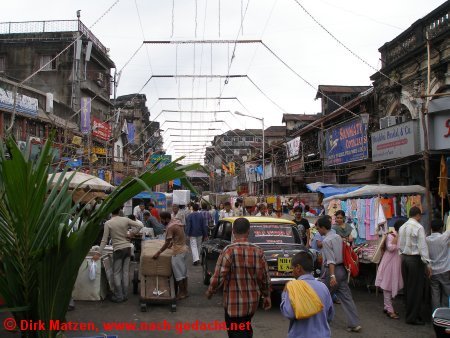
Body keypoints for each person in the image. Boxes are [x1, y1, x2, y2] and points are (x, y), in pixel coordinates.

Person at [205, 217, 271, 337]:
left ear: (233, 231)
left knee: (236, 332)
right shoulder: (258, 251)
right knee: (245, 328)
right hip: (252, 303)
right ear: (249, 231)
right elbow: (265, 278)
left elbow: (218, 277)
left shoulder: (228, 251)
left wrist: (210, 291)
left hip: (233, 304)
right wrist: (266, 295)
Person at [316, 216, 362, 333]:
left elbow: (331, 260)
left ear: (322, 228)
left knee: (323, 296)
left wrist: (332, 276)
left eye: (318, 228)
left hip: (332, 271)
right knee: (347, 298)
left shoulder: (326, 241)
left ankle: (320, 322)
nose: (318, 231)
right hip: (342, 269)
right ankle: (354, 324)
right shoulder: (337, 237)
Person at [94, 206, 143, 303]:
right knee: (125, 272)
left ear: (110, 212)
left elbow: (104, 240)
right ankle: (125, 295)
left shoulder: (108, 223)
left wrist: (98, 253)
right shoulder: (125, 219)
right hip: (127, 248)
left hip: (118, 249)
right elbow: (140, 226)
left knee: (116, 273)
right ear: (120, 211)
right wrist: (132, 234)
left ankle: (119, 295)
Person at [280, 251, 334, 338]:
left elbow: (289, 313)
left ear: (298, 268)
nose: (292, 271)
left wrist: (284, 293)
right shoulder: (323, 287)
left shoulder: (293, 287)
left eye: (292, 268)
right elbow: (330, 315)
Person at [398, 206, 432, 325]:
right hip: (414, 260)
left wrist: (402, 255)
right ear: (418, 215)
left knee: (408, 288)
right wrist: (427, 264)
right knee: (416, 289)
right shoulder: (419, 227)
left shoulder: (402, 227)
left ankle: (411, 313)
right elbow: (423, 247)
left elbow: (399, 245)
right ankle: (412, 317)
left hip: (405, 259)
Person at [153, 212, 189, 299]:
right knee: (183, 273)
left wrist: (158, 252)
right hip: (184, 249)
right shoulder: (176, 222)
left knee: (179, 274)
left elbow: (167, 243)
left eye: (161, 219)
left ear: (166, 219)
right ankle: (185, 291)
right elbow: (177, 237)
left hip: (178, 251)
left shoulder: (170, 227)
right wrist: (171, 244)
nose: (161, 221)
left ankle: (182, 293)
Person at [375, 219, 405, 319]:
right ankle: (389, 309)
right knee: (387, 285)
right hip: (389, 263)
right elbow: (390, 248)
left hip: (395, 262)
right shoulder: (391, 235)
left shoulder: (398, 236)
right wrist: (398, 239)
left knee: (390, 284)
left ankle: (386, 306)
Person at [426, 219, 450, 311]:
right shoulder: (444, 237)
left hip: (433, 271)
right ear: (441, 228)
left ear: (431, 228)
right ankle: (444, 316)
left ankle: (435, 316)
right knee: (446, 293)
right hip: (445, 270)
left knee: (435, 294)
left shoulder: (427, 239)